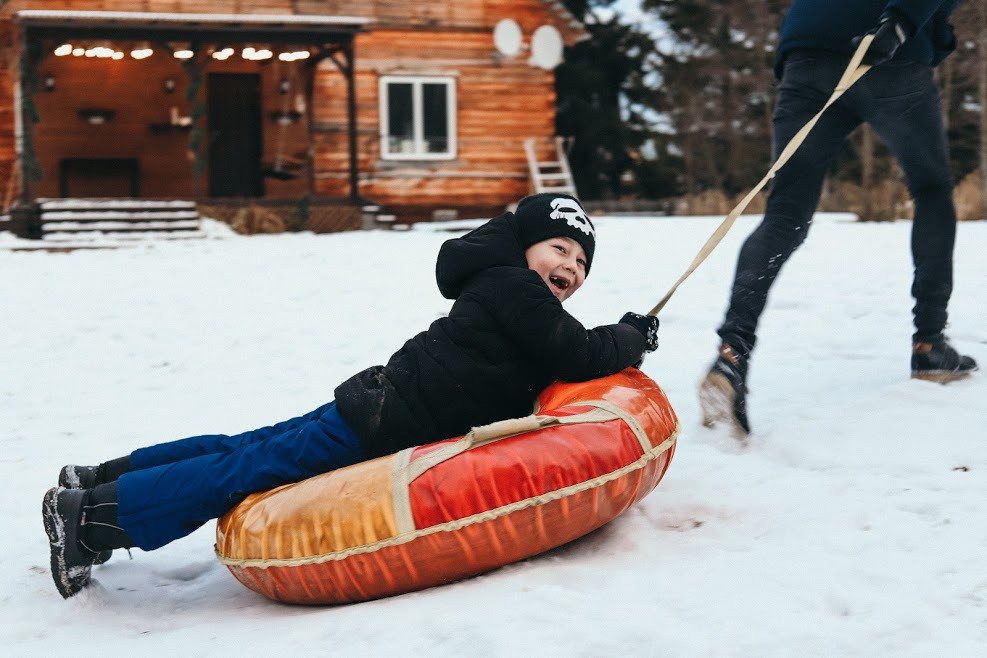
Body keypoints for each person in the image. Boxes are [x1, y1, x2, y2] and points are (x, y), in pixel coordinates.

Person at [42, 192, 661, 599]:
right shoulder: (516, 288)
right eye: (559, 248)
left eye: (582, 262)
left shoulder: (508, 289)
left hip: (381, 402)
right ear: (524, 246)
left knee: (246, 448)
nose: (571, 267)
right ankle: (90, 521)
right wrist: (632, 335)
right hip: (385, 420)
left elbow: (560, 345)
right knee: (246, 469)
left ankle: (101, 479)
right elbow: (577, 352)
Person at [699, 0, 976, 438]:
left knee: (785, 213)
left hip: (807, 53)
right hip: (890, 49)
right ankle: (929, 344)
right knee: (932, 191)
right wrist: (902, 22)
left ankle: (731, 355)